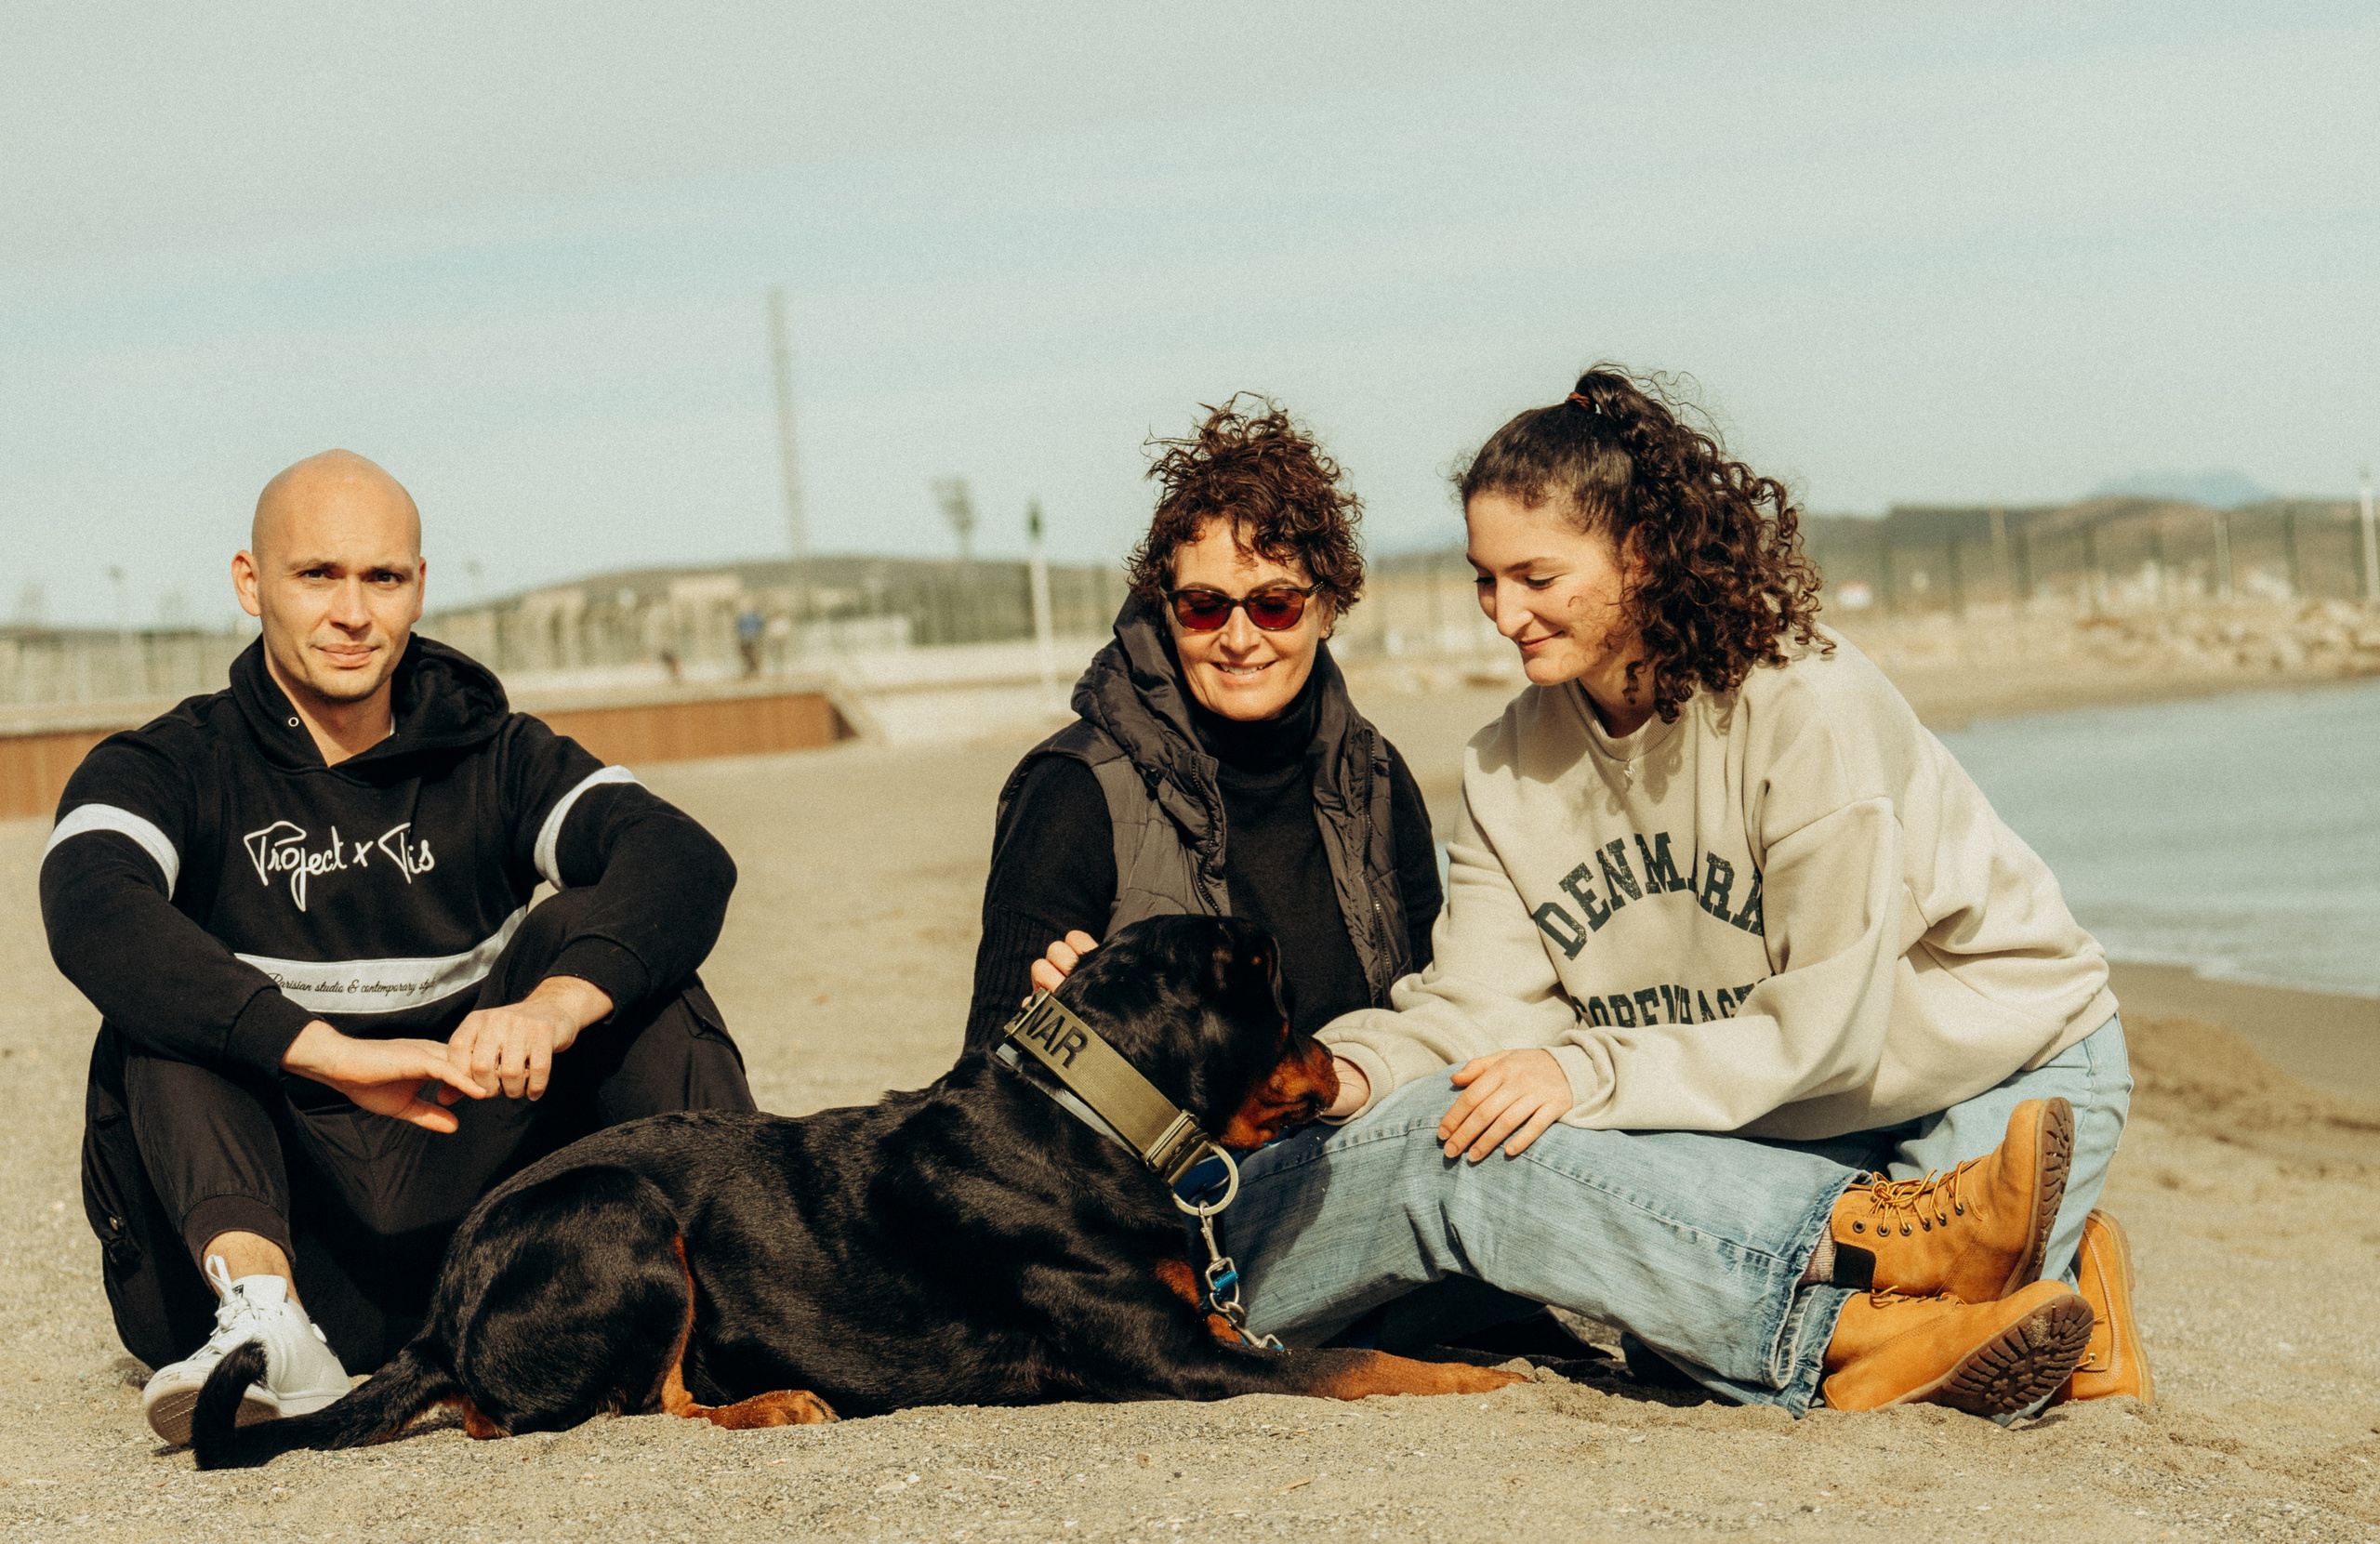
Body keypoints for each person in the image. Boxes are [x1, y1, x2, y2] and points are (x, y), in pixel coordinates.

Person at [1042, 369, 2147, 1417]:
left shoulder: (1803, 704)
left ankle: (2000, 1262)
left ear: (1642, 553)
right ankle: (2038, 1291)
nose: (1503, 611)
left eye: (1537, 577)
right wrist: (1345, 1076)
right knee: (1677, 1343)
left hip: (1996, 1067)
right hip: (1780, 1111)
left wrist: (1581, 1068)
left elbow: (1829, 1034)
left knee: (1872, 1326)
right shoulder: (1507, 765)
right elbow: (1473, 1009)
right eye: (1485, 578)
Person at [42, 450, 757, 1445]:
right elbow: (89, 903)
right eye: (316, 574)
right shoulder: (170, 764)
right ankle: (267, 1322)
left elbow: (680, 855)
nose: (352, 611)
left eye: (381, 577)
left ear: (418, 586)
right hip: (257, 1228)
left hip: (479, 1235)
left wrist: (555, 1004)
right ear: (251, 581)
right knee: (165, 991)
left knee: (604, 949)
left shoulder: (495, 753)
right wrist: (327, 1052)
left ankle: (742, 1293)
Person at [966, 396, 1441, 1052]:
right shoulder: (1074, 791)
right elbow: (989, 1072)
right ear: (1166, 609)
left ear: (1327, 607)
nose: (1239, 639)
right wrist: (1084, 1048)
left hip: (1370, 1108)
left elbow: (1438, 1016)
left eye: (1275, 604)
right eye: (1204, 606)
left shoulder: (1376, 777)